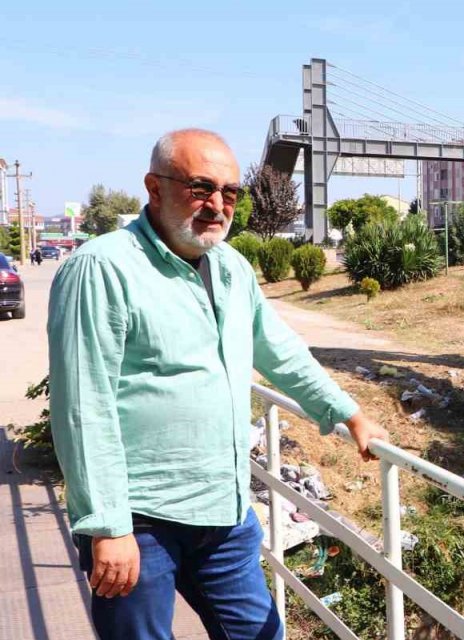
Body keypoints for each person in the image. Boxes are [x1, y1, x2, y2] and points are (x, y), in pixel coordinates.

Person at [47, 128, 390, 640]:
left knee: (259, 634)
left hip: (223, 509)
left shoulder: (231, 267)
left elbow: (278, 348)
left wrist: (347, 412)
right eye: (201, 187)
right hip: (140, 517)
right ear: (155, 187)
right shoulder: (103, 268)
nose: (216, 205)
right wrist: (107, 525)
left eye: (229, 192)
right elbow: (82, 405)